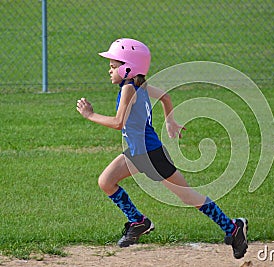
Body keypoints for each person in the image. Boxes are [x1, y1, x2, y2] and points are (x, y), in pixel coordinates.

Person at [76, 38, 248, 259]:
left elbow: (119, 122)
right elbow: (166, 97)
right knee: (106, 182)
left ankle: (233, 228)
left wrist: (90, 115)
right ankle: (139, 222)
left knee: (187, 196)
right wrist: (170, 121)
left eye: (113, 66)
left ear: (129, 68)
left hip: (151, 154)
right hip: (137, 153)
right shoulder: (140, 85)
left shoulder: (129, 89)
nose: (109, 70)